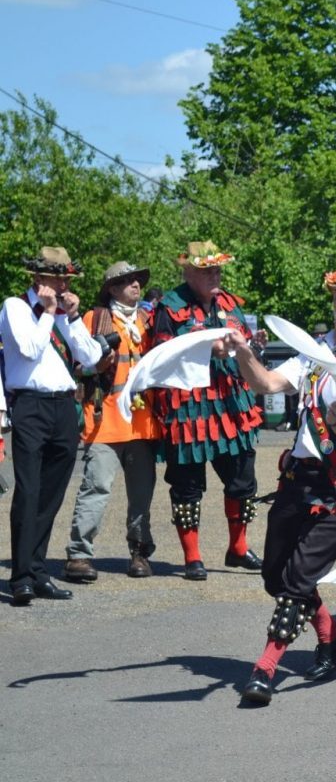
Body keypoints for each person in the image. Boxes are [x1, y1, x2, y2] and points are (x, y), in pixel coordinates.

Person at [229, 265, 336, 705]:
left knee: (298, 578)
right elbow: (265, 383)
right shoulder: (318, 351)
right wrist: (243, 351)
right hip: (297, 477)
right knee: (274, 575)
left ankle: (264, 669)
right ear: (335, 301)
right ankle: (333, 636)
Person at [152, 241, 265, 580]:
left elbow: (241, 338)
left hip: (232, 403)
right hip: (188, 408)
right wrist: (206, 352)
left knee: (243, 479)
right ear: (188, 272)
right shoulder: (169, 307)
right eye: (206, 270)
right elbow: (161, 356)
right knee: (187, 485)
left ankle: (239, 548)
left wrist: (251, 344)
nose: (215, 274)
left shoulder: (229, 302)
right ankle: (192, 557)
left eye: (217, 268)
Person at [2, 246, 103, 605]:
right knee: (29, 492)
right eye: (57, 278)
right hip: (30, 405)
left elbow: (92, 358)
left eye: (66, 279)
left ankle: (38, 571)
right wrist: (47, 313)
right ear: (38, 278)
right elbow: (29, 349)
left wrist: (72, 318)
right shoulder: (15, 307)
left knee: (51, 494)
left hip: (64, 406)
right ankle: (21, 578)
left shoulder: (63, 314)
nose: (63, 285)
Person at [63, 261, 160, 582]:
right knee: (95, 488)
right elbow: (76, 368)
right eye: (127, 280)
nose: (136, 285)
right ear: (112, 289)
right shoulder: (94, 319)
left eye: (137, 280)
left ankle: (139, 553)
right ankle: (78, 555)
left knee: (142, 493)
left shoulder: (150, 320)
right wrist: (95, 365)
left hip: (143, 423)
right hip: (104, 422)